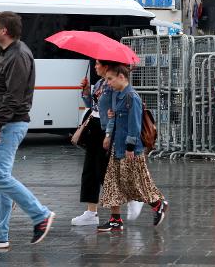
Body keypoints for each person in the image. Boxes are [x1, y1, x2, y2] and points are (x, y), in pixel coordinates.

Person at [0, 11, 55, 249]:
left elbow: (14, 97)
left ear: (4, 31)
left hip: (7, 124)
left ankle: (40, 215)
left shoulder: (17, 55)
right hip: (3, 123)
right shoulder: (9, 52)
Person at [98, 64, 168, 232]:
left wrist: (130, 146)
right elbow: (114, 117)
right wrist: (108, 135)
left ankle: (158, 203)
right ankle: (115, 219)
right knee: (112, 182)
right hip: (117, 146)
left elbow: (134, 126)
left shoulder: (132, 97)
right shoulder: (117, 95)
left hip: (130, 149)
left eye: (110, 79)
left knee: (136, 183)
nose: (107, 83)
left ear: (121, 77)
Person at [71, 60, 115, 226]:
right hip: (94, 127)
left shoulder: (112, 85)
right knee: (89, 170)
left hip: (104, 130)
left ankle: (122, 208)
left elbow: (112, 111)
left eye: (98, 64)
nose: (95, 67)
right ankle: (91, 211)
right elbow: (92, 105)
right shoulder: (99, 84)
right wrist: (86, 92)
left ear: (106, 66)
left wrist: (109, 133)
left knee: (104, 171)